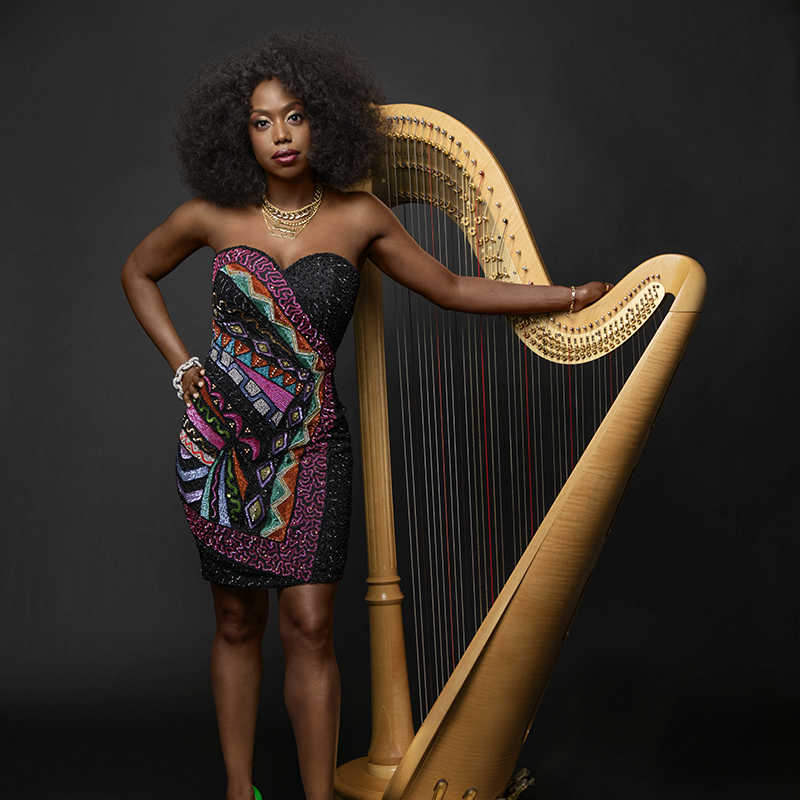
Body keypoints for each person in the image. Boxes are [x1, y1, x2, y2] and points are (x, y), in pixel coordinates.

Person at [121, 30, 611, 800]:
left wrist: (569, 297)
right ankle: (237, 790)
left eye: (295, 116)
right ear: (237, 132)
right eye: (261, 121)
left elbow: (452, 286)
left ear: (325, 121)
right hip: (224, 448)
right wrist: (183, 365)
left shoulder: (359, 216)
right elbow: (137, 272)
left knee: (311, 625)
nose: (281, 135)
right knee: (236, 621)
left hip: (313, 442)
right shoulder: (209, 216)